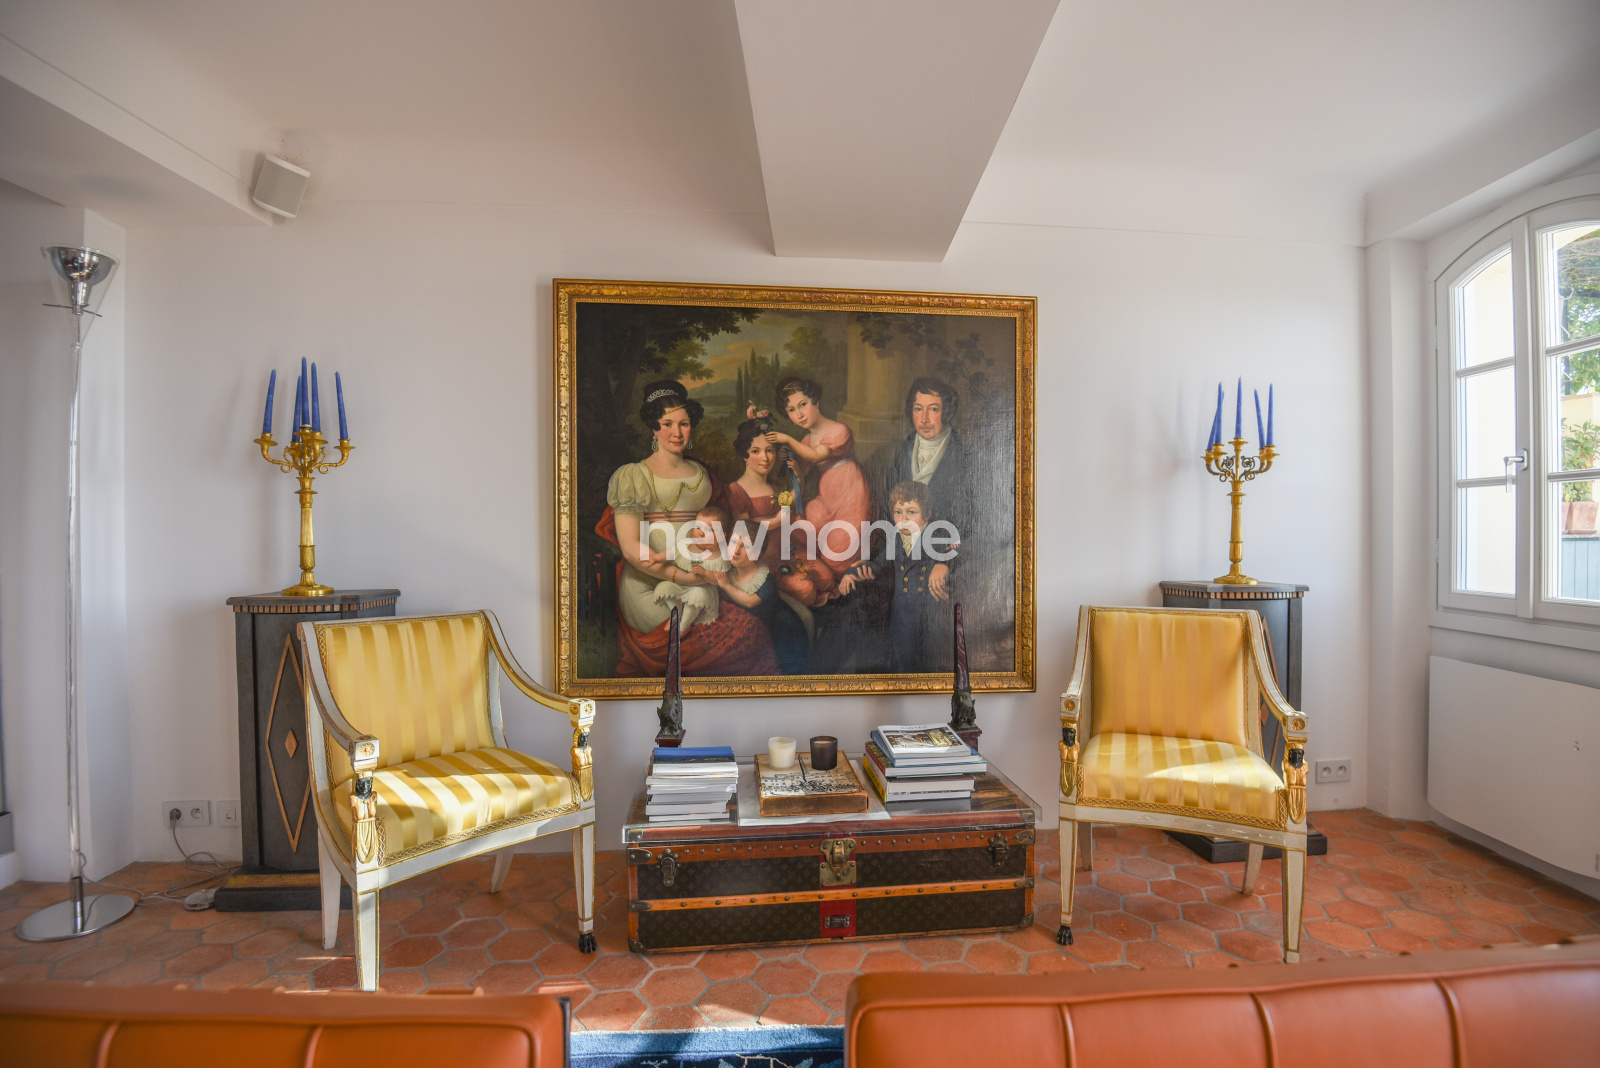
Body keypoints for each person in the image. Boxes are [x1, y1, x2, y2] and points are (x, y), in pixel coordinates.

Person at [597, 380, 776, 677]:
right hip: (652, 585)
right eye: (667, 424)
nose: (677, 433)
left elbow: (723, 535)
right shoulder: (632, 475)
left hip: (702, 580)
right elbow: (631, 549)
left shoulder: (703, 474)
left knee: (757, 630)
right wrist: (683, 576)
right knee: (744, 634)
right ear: (654, 428)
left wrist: (718, 574)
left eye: (684, 424)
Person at [837, 481, 955, 673]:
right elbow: (876, 566)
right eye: (898, 512)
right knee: (903, 663)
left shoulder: (937, 535)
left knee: (928, 665)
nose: (904, 519)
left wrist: (943, 563)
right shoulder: (896, 541)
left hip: (930, 615)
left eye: (911, 512)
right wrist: (851, 574)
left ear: (927, 514)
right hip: (901, 616)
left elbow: (957, 550)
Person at [765, 377, 872, 578]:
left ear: (816, 401)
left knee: (837, 561)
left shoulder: (840, 430)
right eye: (791, 410)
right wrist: (791, 462)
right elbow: (802, 475)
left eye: (803, 405)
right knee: (794, 528)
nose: (799, 414)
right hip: (825, 503)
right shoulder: (806, 440)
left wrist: (788, 440)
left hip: (851, 501)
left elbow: (815, 456)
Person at [727, 417, 838, 607]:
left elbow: (789, 502)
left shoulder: (774, 486)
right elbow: (744, 530)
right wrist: (777, 521)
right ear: (744, 455)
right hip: (763, 559)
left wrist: (799, 479)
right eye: (756, 451)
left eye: (769, 450)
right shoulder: (736, 490)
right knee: (806, 591)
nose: (765, 458)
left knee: (827, 579)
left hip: (787, 550)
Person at [701, 529, 810, 675]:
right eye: (733, 543)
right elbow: (715, 580)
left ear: (757, 553)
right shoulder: (729, 572)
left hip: (779, 632)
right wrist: (703, 573)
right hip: (750, 634)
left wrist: (726, 586)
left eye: (745, 546)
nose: (736, 551)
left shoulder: (764, 579)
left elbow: (750, 602)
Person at [885, 377, 973, 548]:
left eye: (933, 409)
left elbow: (968, 526)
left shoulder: (966, 462)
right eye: (918, 409)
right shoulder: (901, 454)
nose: (924, 419)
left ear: (947, 413)